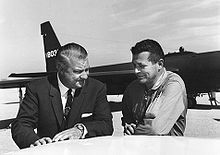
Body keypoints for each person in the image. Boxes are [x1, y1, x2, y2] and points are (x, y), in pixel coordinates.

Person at [11, 42, 113, 149]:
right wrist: (35, 142)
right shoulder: (37, 89)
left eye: (87, 70)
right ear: (60, 68)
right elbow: (21, 124)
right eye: (78, 71)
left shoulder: (96, 88)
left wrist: (81, 130)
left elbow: (106, 124)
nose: (85, 76)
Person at [121, 39, 187, 136]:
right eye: (134, 65)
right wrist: (128, 125)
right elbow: (127, 117)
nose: (136, 71)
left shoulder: (174, 84)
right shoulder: (132, 88)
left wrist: (135, 131)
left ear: (159, 64)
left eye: (141, 66)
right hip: (138, 148)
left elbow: (154, 129)